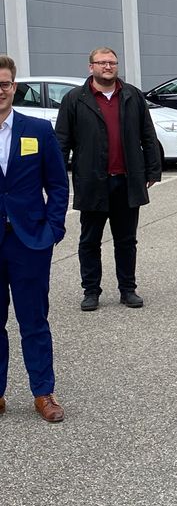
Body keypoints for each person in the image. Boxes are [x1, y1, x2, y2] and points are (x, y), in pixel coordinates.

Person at [55, 48, 161, 312]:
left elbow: (148, 135)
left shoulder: (132, 96)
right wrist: (57, 177)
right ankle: (91, 291)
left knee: (126, 240)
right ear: (90, 67)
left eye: (112, 62)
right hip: (92, 182)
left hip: (126, 181)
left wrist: (152, 170)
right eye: (101, 62)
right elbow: (62, 141)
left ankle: (128, 289)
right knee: (89, 241)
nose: (107, 67)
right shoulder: (75, 99)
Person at [0, 55, 69, 422]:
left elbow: (57, 184)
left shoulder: (37, 130)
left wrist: (53, 228)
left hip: (29, 242)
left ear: (14, 87)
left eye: (4, 84)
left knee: (34, 322)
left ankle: (43, 393)